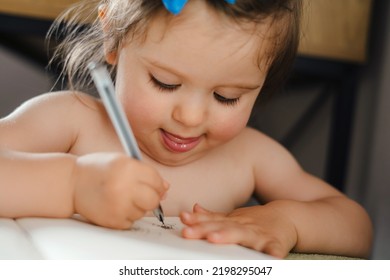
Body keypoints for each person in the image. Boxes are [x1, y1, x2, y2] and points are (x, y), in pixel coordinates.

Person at [0, 0, 372, 258]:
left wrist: (289, 221)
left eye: (227, 97)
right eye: (164, 82)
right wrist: (72, 186)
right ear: (113, 38)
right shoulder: (72, 121)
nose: (191, 117)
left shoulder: (249, 156)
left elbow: (356, 226)